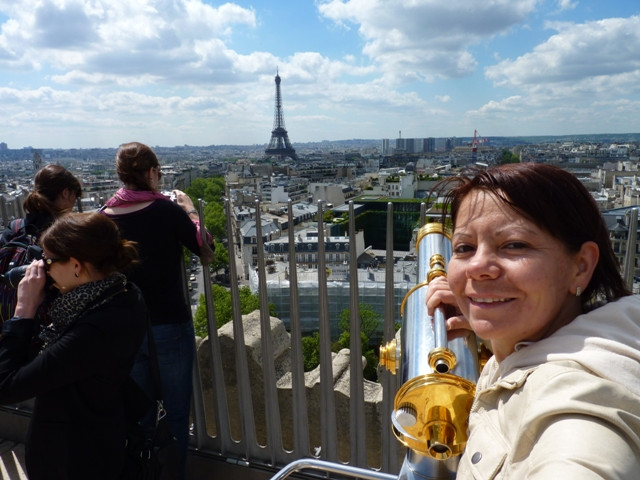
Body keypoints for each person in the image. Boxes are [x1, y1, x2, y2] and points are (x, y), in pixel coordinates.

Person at [425, 162, 640, 478]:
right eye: (464, 247)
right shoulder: (606, 338)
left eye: (514, 245)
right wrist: (493, 323)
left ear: (580, 266)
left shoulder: (577, 399)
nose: (478, 266)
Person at [0, 212, 147, 480]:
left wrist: (23, 311)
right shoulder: (123, 293)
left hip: (73, 459)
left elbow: (6, 385)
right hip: (104, 440)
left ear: (77, 266)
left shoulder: (92, 332)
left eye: (48, 260)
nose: (41, 266)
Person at [101, 141, 214, 478]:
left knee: (140, 414)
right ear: (151, 173)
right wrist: (190, 210)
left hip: (124, 329)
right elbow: (205, 250)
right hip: (169, 324)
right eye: (159, 173)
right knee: (177, 414)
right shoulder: (167, 211)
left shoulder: (103, 218)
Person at [0, 164, 82, 323]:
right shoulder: (67, 233)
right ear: (65, 193)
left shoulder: (15, 228)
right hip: (52, 322)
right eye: (74, 196)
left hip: (12, 317)